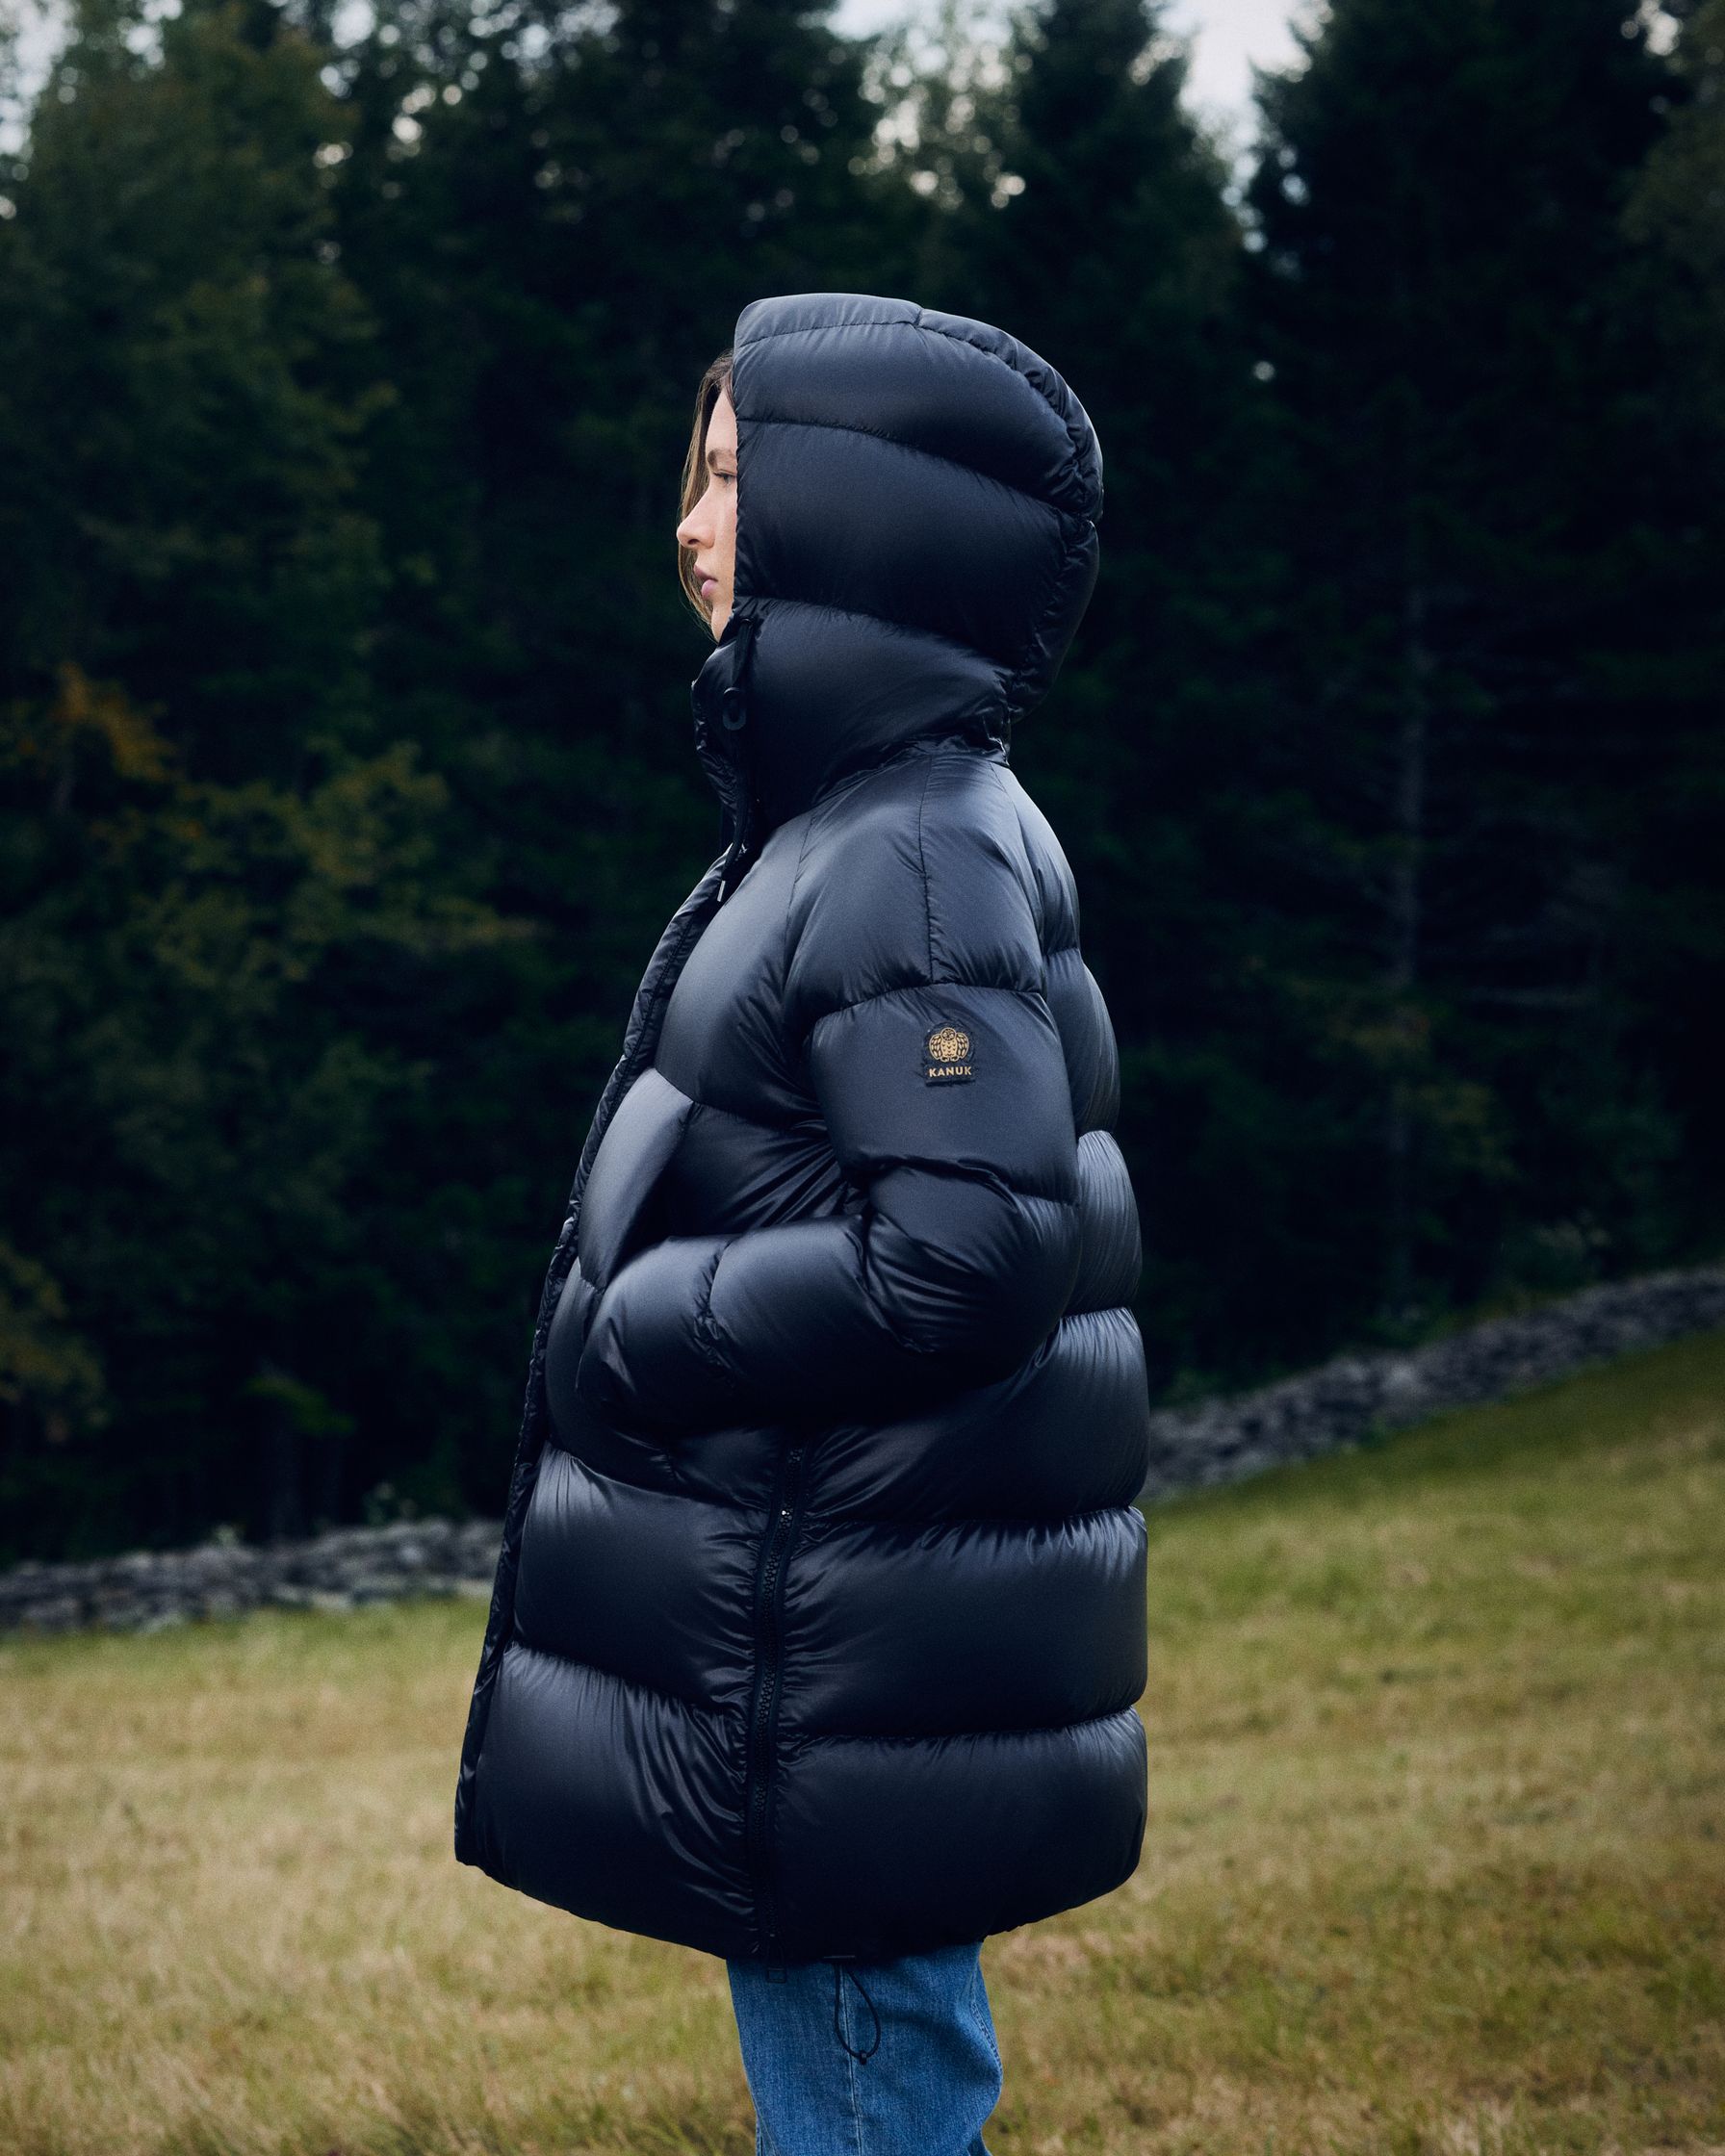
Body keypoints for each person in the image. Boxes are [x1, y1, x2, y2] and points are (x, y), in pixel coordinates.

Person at [453, 292, 1151, 2156]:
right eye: (693, 478)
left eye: (735, 479)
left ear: (861, 519)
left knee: (862, 2077)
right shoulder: (855, 822)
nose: (686, 528)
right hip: (848, 1644)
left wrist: (646, 1322)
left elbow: (966, 1246)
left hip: (846, 1651)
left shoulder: (907, 847)